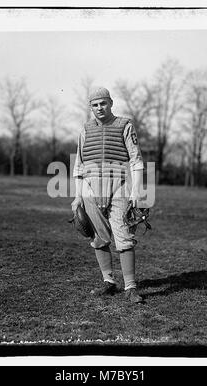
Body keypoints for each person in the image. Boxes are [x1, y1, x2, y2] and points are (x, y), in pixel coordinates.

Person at [71, 86, 144, 303]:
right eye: (95, 105)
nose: (99, 108)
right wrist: (77, 196)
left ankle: (130, 287)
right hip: (91, 188)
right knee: (98, 237)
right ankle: (108, 282)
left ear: (111, 103)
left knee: (124, 237)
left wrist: (136, 191)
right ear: (90, 107)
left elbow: (136, 159)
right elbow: (78, 165)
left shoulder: (124, 125)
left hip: (119, 186)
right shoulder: (85, 129)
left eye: (103, 103)